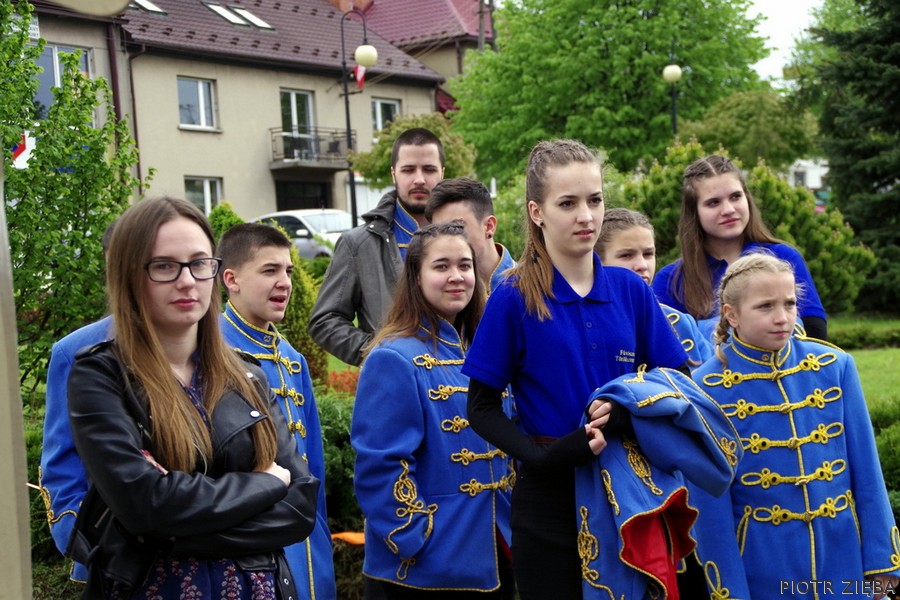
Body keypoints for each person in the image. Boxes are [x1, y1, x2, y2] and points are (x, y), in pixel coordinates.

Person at [461, 140, 690, 599]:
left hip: (630, 487)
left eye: (595, 200)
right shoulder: (513, 296)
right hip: (547, 500)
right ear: (537, 212)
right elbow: (480, 407)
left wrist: (628, 413)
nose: (586, 216)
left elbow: (678, 382)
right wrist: (539, 455)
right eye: (567, 203)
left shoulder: (630, 290)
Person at [66, 197, 319, 598]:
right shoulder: (102, 375)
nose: (187, 281)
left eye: (199, 263)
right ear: (129, 275)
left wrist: (173, 531)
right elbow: (147, 505)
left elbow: (300, 507)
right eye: (165, 266)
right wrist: (267, 483)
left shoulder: (248, 376)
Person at [691, 252, 899, 599]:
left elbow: (867, 469)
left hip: (842, 555)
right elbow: (710, 505)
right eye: (765, 306)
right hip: (762, 563)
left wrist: (882, 561)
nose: (782, 317)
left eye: (789, 304)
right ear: (732, 314)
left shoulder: (835, 366)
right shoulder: (704, 387)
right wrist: (728, 589)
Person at [351, 222, 515, 598]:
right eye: (441, 266)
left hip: (493, 548)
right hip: (423, 567)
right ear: (416, 277)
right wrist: (414, 538)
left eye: (465, 265)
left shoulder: (484, 351)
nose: (456, 276)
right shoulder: (393, 357)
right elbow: (380, 466)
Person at [217, 223, 337, 600]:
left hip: (307, 545)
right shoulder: (210, 352)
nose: (285, 282)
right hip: (247, 544)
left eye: (288, 270)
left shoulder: (292, 358)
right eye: (270, 270)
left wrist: (319, 538)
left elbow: (313, 465)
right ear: (231, 279)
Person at [652, 154, 829, 340]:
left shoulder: (784, 258)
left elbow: (815, 336)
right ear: (694, 212)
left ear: (747, 199)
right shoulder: (671, 280)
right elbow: (664, 347)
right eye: (713, 202)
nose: (729, 210)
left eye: (735, 197)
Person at [309, 127, 445, 366]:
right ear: (394, 173)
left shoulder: (465, 238)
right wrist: (379, 353)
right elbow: (325, 320)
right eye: (408, 170)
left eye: (429, 169)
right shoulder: (359, 244)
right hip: (394, 383)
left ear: (443, 172)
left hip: (459, 381)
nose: (419, 179)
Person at [40, 220, 117, 584]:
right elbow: (60, 464)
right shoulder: (74, 351)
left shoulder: (215, 343)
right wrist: (90, 544)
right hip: (111, 560)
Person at [595, 207, 712, 367]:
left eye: (648, 254)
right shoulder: (588, 323)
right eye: (626, 255)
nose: (642, 265)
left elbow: (710, 377)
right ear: (597, 262)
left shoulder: (681, 322)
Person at [425, 177, 515, 295]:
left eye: (456, 227)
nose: (446, 239)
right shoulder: (435, 294)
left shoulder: (531, 287)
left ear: (489, 227)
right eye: (438, 231)